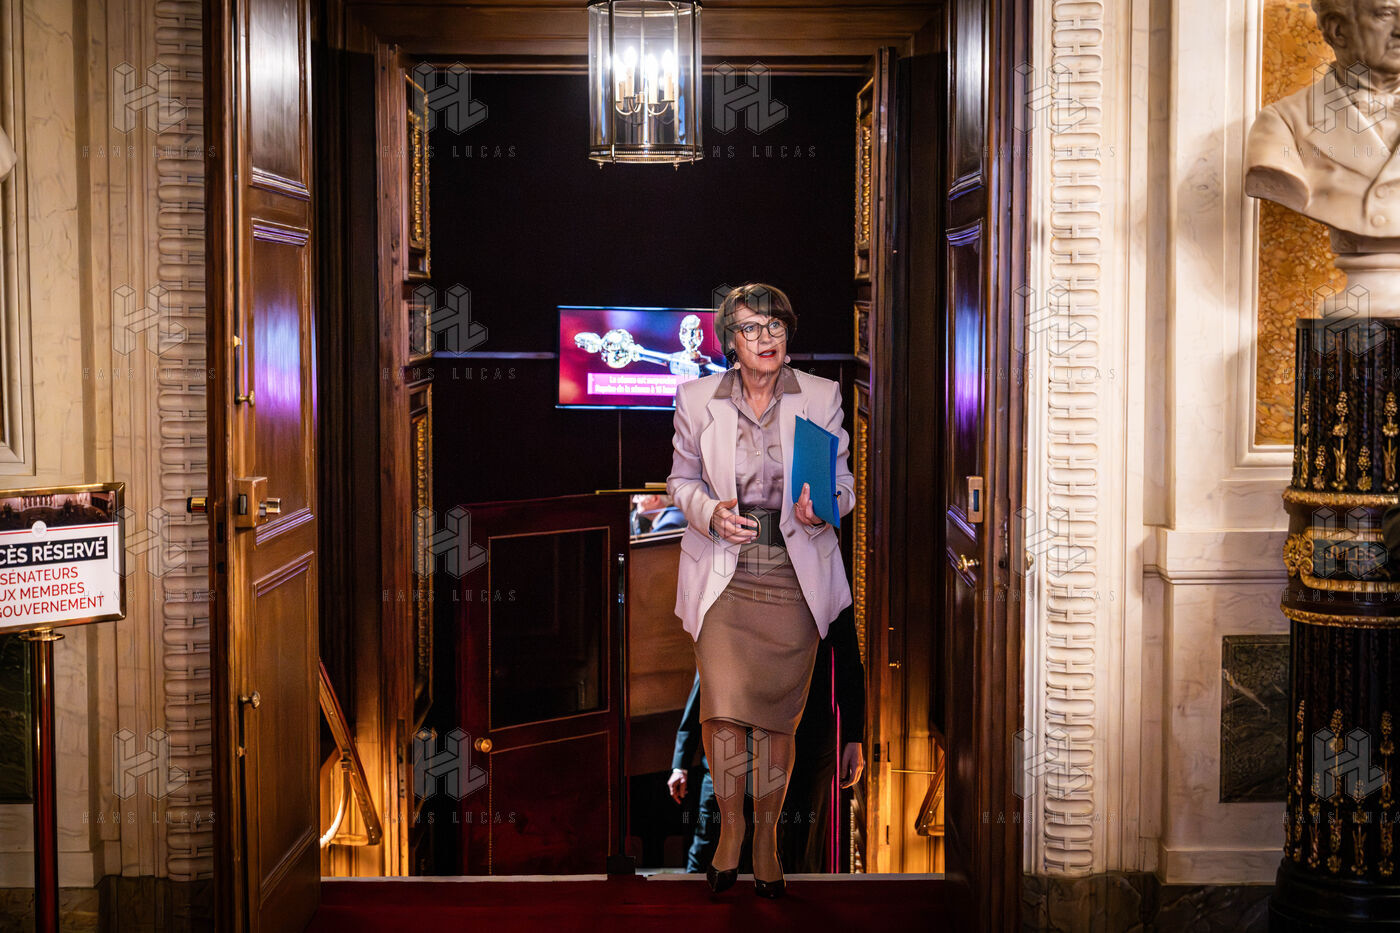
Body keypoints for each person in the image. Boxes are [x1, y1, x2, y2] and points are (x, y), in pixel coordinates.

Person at [666, 282, 856, 898]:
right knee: (722, 711)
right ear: (730, 341)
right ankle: (730, 829)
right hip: (724, 573)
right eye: (750, 328)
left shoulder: (821, 396)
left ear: (787, 334)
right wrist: (709, 513)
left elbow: (845, 485)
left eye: (774, 326)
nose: (764, 338)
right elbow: (680, 481)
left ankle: (768, 839)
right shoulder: (697, 399)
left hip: (793, 575)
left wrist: (823, 507)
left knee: (777, 720)